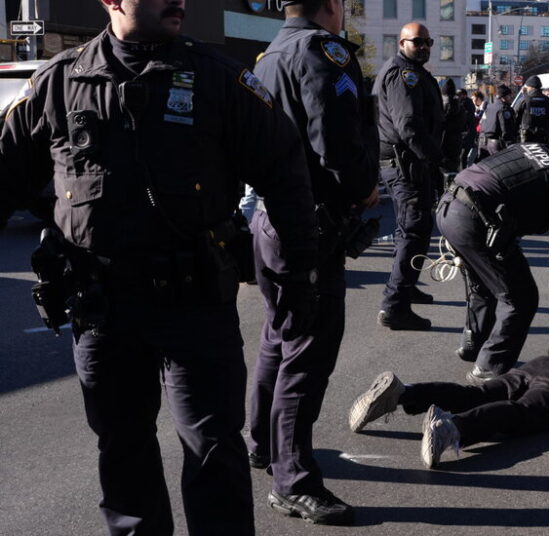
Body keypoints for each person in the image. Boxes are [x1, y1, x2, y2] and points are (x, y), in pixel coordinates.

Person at [0, 1, 319, 534]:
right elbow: (6, 176)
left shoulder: (217, 77)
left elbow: (286, 172)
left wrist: (298, 278)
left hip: (193, 303)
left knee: (214, 449)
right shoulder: (60, 81)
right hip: (103, 308)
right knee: (123, 454)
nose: (180, 1)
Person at [246, 0, 380, 525]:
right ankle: (293, 480)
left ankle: (265, 446)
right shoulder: (322, 52)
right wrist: (364, 185)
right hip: (311, 222)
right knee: (307, 351)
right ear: (331, 5)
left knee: (278, 339)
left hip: (272, 217)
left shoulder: (269, 54)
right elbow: (337, 143)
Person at [347, 323, 549, 468]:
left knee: (474, 392)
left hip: (542, 365)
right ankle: (454, 428)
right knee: (520, 413)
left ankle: (405, 393)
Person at [436, 142, 549, 383]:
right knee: (521, 297)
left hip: (449, 204)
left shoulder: (544, 150)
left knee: (484, 281)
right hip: (475, 220)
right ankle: (487, 371)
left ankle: (474, 342)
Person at [374, 22, 444, 330]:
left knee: (411, 230)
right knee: (413, 230)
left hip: (408, 163)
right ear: (402, 43)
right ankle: (395, 305)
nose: (425, 46)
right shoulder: (405, 74)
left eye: (428, 41)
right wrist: (434, 159)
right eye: (418, 42)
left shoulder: (411, 71)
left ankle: (406, 285)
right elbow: (408, 125)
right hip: (408, 164)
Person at [515, 75, 549, 146]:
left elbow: (514, 119)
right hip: (544, 139)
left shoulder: (523, 101)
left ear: (530, 87)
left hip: (526, 140)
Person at [477, 84, 517, 159]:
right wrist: (510, 144)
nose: (511, 97)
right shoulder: (504, 109)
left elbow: (482, 123)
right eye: (509, 95)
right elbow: (506, 129)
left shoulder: (489, 106)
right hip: (496, 144)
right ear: (503, 97)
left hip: (483, 142)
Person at [440, 79, 466, 173]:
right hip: (456, 141)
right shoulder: (460, 107)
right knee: (454, 167)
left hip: (441, 141)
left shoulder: (439, 106)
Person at [458, 88, 479, 169]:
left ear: (464, 95)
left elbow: (466, 119)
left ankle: (463, 171)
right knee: (463, 155)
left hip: (467, 133)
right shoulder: (465, 103)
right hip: (467, 132)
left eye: (460, 95)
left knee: (463, 156)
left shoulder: (466, 104)